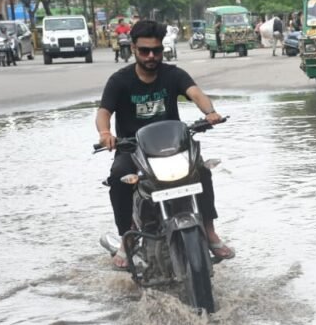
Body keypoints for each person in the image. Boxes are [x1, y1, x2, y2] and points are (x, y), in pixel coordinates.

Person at [95, 20, 234, 268]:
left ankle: (210, 231)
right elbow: (104, 111)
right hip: (134, 150)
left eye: (156, 50)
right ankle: (127, 237)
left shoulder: (174, 74)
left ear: (162, 50)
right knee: (118, 176)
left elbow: (195, 93)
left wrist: (210, 112)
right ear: (134, 50)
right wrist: (105, 133)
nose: (151, 56)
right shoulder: (120, 80)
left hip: (175, 147)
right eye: (145, 51)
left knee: (202, 170)